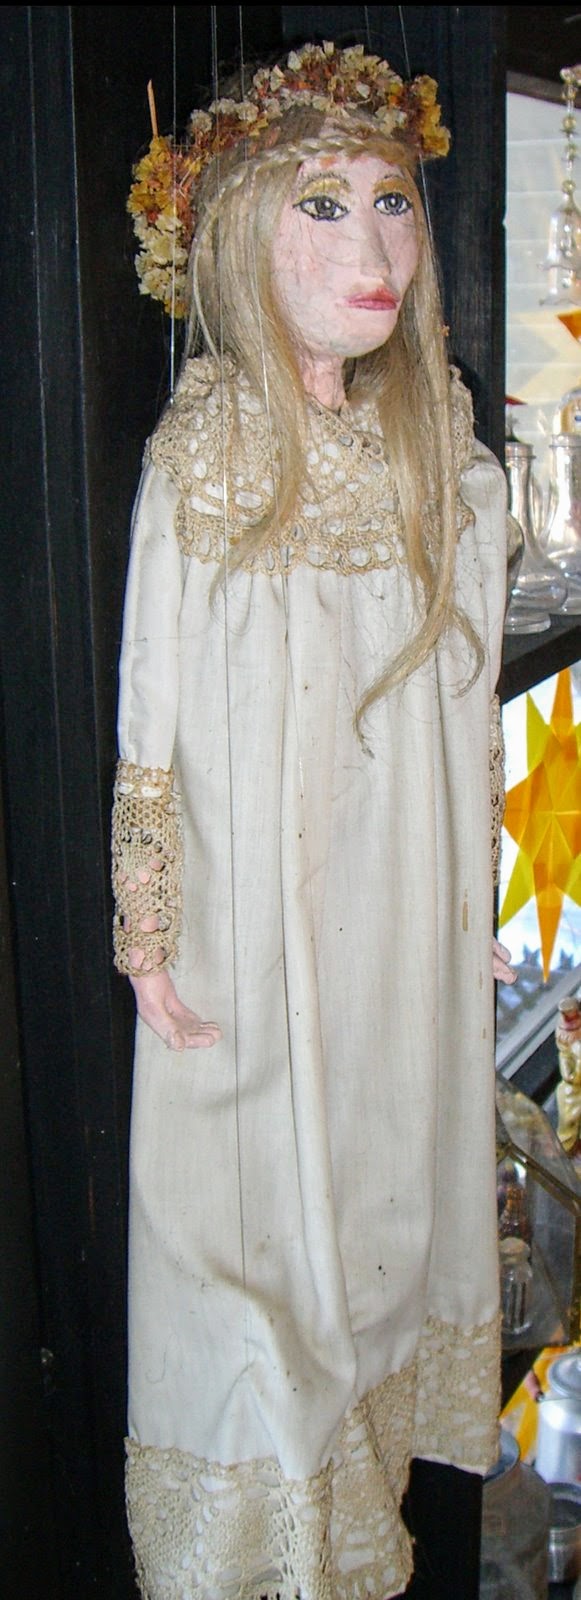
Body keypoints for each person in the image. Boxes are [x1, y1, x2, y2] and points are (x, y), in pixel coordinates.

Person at [113, 40, 515, 1600]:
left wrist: (467, 905)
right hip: (256, 925)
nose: (375, 248)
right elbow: (151, 716)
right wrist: (149, 929)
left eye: (393, 203)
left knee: (379, 1205)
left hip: (396, 916)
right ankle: (262, 1540)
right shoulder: (212, 451)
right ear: (234, 236)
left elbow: (455, 710)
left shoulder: (436, 450)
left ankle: (362, 1494)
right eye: (325, 205)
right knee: (254, 1242)